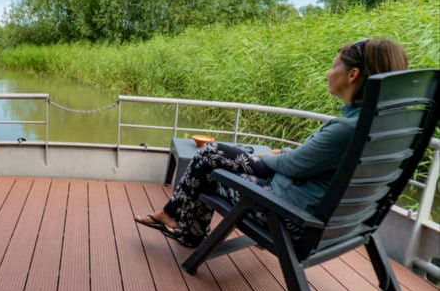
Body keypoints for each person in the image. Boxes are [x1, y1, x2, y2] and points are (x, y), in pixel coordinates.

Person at [135, 38, 409, 246]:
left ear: (353, 75)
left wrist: (268, 158)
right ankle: (172, 216)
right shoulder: (384, 128)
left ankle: (183, 226)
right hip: (341, 223)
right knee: (213, 154)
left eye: (334, 66)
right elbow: (311, 162)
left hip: (287, 216)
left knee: (210, 166)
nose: (328, 73)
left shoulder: (348, 128)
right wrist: (281, 155)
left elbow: (294, 166)